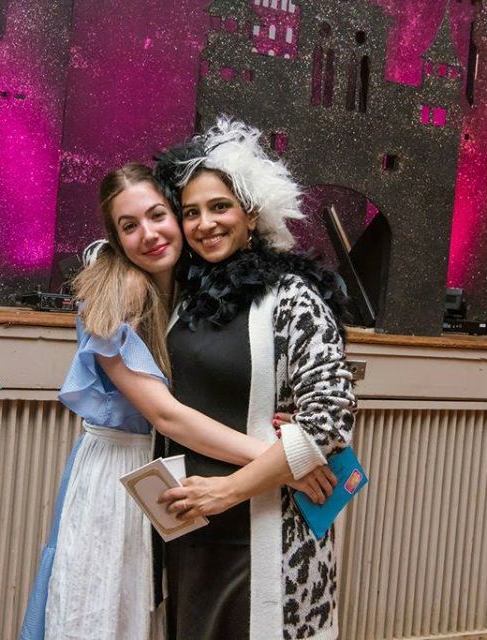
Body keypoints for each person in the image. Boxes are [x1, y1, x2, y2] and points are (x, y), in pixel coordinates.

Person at [19, 163, 335, 640]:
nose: (148, 234)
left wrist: (286, 421)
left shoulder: (191, 290)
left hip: (169, 471)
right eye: (129, 225)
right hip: (122, 473)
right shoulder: (118, 292)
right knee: (108, 615)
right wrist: (284, 462)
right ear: (115, 238)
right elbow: (167, 415)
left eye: (158, 215)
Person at [152, 117, 356, 640]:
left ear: (250, 213)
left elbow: (331, 419)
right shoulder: (182, 299)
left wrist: (226, 492)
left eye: (219, 207)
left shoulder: (293, 297)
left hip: (268, 531)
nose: (205, 224)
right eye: (191, 212)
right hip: (189, 529)